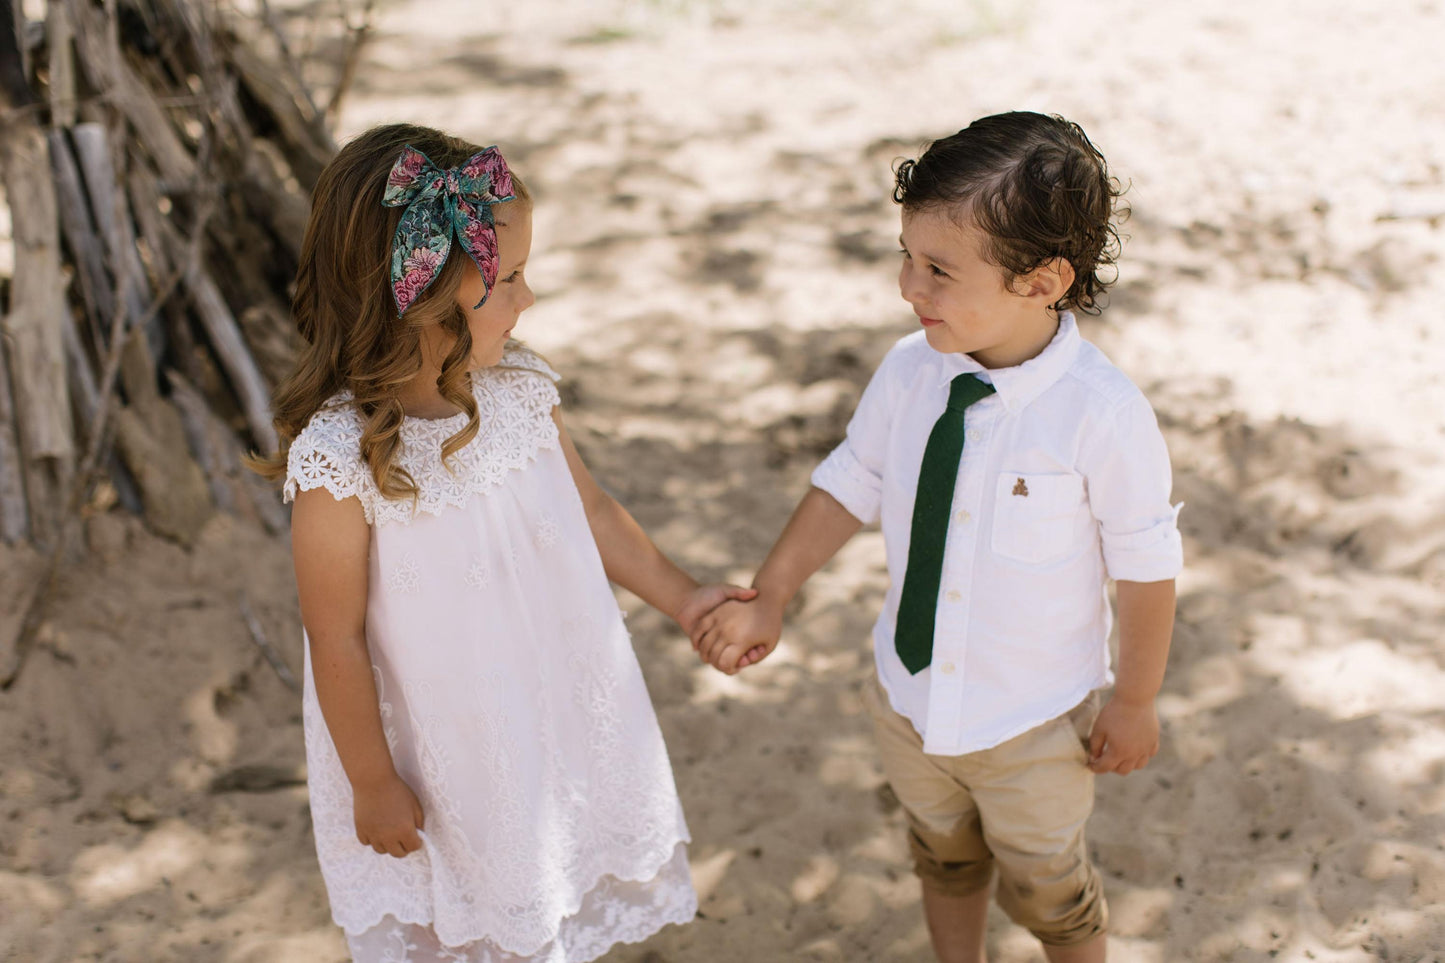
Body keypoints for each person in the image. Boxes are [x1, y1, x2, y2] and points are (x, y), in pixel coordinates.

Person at [250, 123, 753, 963]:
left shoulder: (518, 388)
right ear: (416, 304)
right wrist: (373, 782)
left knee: (544, 883)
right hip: (445, 743)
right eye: (508, 281)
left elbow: (590, 513)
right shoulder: (342, 460)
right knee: (472, 911)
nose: (528, 301)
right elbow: (331, 633)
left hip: (543, 699)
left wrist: (684, 594)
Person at [692, 111, 1182, 962]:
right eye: (906, 257)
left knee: (1053, 893)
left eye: (939, 270)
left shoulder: (1100, 416)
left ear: (1041, 280)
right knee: (943, 861)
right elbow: (851, 482)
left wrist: (1134, 700)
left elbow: (1145, 568)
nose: (908, 288)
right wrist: (771, 590)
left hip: (1029, 721)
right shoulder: (911, 370)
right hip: (907, 698)